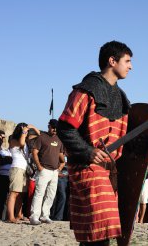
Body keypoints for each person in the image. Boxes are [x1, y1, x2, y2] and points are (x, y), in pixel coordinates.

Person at [57, 40, 133, 245]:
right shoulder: (85, 91)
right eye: (127, 61)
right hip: (87, 166)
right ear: (112, 61)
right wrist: (88, 151)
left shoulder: (122, 97)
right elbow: (65, 128)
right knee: (99, 228)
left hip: (110, 172)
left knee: (101, 231)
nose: (130, 66)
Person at [29, 119, 65, 225]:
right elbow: (34, 152)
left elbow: (61, 154)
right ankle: (34, 216)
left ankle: (45, 215)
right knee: (39, 193)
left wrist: (61, 166)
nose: (54, 129)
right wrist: (39, 167)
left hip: (54, 171)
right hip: (44, 170)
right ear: (49, 126)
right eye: (53, 127)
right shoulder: (42, 137)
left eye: (56, 128)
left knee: (51, 194)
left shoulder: (59, 139)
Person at [7, 123, 37, 223]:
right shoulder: (13, 140)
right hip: (16, 168)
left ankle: (19, 214)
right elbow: (21, 143)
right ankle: (11, 216)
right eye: (25, 130)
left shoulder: (25, 141)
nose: (27, 132)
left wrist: (34, 128)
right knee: (13, 193)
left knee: (20, 194)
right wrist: (24, 131)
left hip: (24, 170)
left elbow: (39, 135)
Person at [0, 131, 12, 220]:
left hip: (6, 176)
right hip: (0, 175)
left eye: (2, 138)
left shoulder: (5, 151)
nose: (1, 140)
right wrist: (6, 160)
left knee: (3, 199)